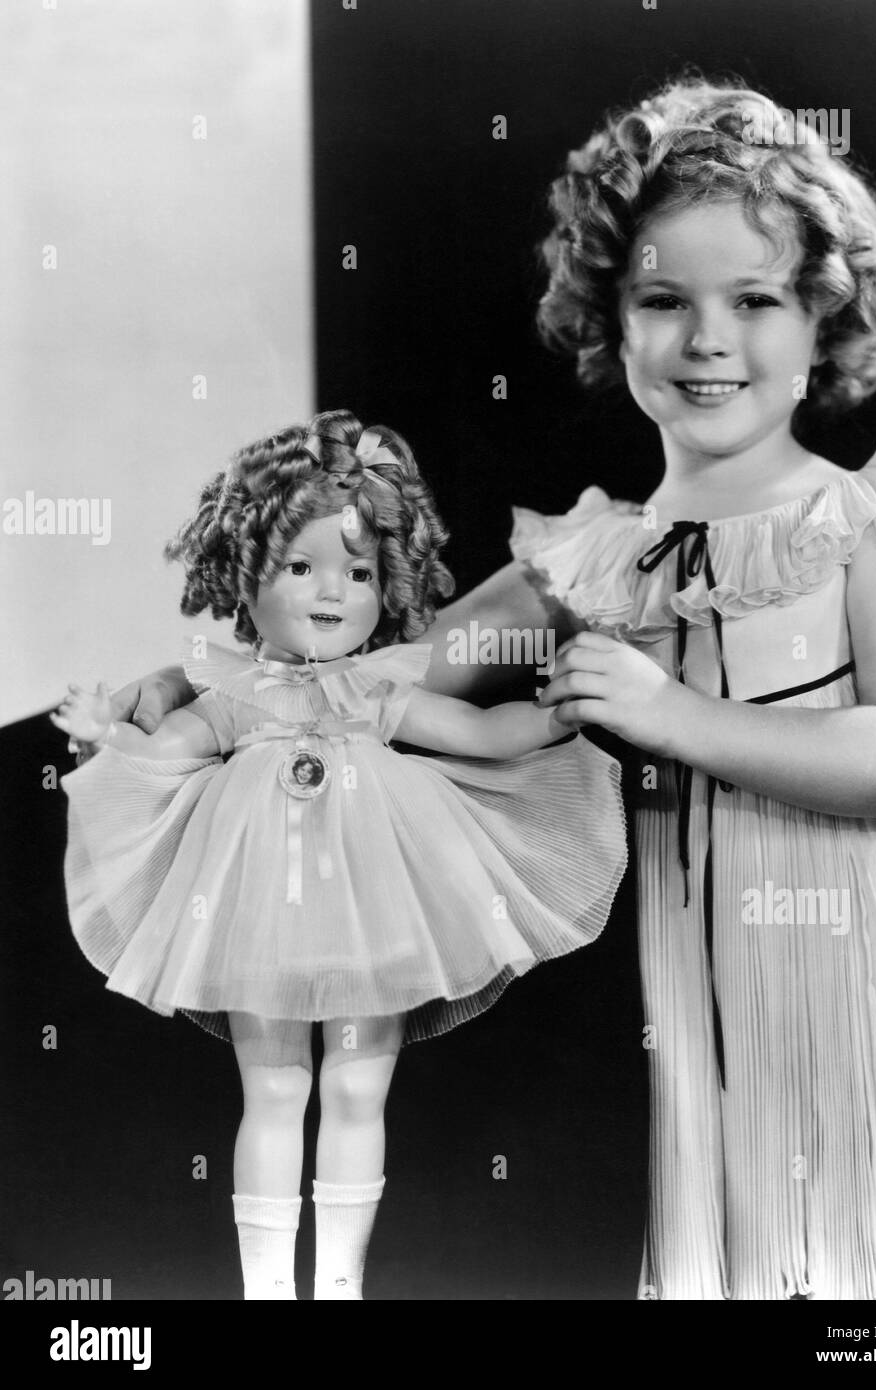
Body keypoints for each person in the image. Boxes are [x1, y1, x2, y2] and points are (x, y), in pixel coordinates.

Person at [101, 73, 876, 1300]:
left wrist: (671, 715)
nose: (706, 341)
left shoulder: (867, 523)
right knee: (742, 1241)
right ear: (608, 317)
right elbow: (378, 673)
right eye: (661, 300)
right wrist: (205, 681)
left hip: (874, 945)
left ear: (822, 318)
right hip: (710, 969)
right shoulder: (595, 555)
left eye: (754, 300)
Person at [52, 410, 626, 1301]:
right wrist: (107, 736)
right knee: (275, 1095)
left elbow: (475, 731)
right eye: (300, 566)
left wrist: (557, 716)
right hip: (255, 919)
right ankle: (268, 1289)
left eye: (359, 572)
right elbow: (167, 750)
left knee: (359, 1093)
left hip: (374, 916)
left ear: (388, 579)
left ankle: (343, 1283)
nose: (332, 592)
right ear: (245, 572)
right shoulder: (234, 689)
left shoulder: (377, 685)